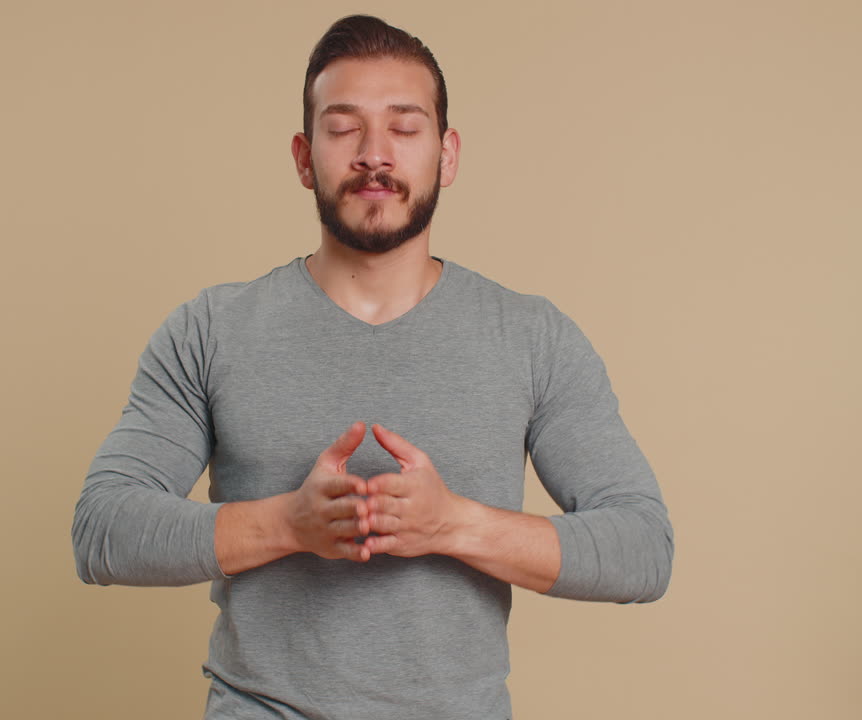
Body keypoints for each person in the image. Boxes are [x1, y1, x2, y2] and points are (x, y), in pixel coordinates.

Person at [72, 14, 673, 720]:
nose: (374, 153)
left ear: (446, 155)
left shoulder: (533, 337)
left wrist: (452, 525)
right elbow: (103, 530)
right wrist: (288, 525)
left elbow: (642, 546)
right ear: (304, 156)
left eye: (405, 126)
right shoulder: (210, 331)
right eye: (343, 127)